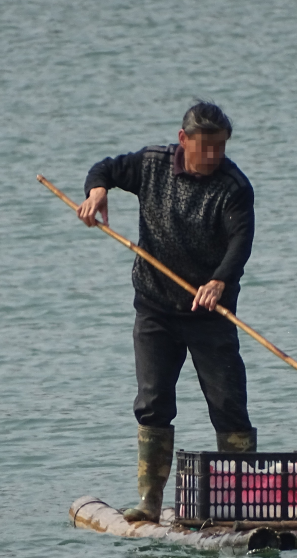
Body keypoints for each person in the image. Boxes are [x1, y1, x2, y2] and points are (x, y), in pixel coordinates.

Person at [77, 101, 257, 523]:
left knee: (229, 404)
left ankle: (241, 505)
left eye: (221, 148)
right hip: (155, 307)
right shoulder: (151, 164)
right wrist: (97, 191)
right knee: (153, 402)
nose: (214, 156)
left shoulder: (234, 187)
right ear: (183, 140)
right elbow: (104, 169)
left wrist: (219, 281)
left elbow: (240, 243)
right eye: (205, 147)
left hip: (210, 311)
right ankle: (149, 504)